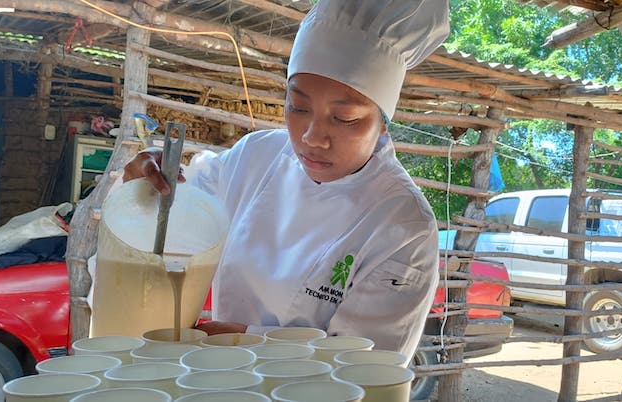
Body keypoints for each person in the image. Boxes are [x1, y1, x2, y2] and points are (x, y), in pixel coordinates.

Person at [123, 0, 450, 359]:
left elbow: (368, 367)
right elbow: (177, 216)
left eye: (344, 119)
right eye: (298, 106)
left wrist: (251, 342)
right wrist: (142, 188)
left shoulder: (403, 225)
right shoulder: (255, 157)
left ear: (384, 121)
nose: (311, 137)